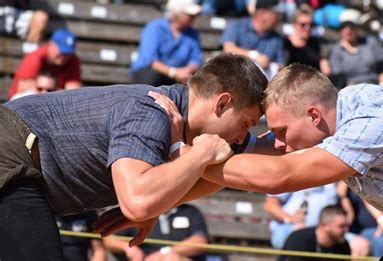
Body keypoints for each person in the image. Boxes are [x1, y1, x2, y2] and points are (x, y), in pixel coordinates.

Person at [136, 63, 383, 260]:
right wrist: (158, 199)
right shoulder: (341, 113)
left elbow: (279, 176)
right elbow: (251, 156)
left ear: (313, 115)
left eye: (281, 131)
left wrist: (184, 152)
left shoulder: (374, 125)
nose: (277, 142)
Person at [0, 53, 267, 260]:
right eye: (246, 123)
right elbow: (138, 202)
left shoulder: (180, 122)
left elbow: (229, 174)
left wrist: (160, 202)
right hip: (9, 153)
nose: (243, 137)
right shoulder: (151, 112)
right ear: (222, 103)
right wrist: (201, 153)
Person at [130, 0, 203, 86]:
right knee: (152, 77)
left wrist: (186, 71)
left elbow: (195, 60)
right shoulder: (155, 27)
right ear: (177, 14)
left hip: (178, 77)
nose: (193, 17)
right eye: (190, 15)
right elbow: (150, 59)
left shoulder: (193, 34)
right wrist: (174, 73)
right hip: (151, 74)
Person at [105, 204, 208, 261]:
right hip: (144, 258)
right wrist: (128, 248)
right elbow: (109, 240)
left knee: (171, 259)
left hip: (179, 258)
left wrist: (164, 252)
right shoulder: (139, 214)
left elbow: (199, 242)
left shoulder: (190, 212)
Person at [7, 28, 81, 99]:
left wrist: (50, 88)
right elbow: (22, 87)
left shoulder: (73, 60)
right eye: (61, 51)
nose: (64, 56)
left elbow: (73, 91)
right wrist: (51, 89)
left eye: (67, 53)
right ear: (51, 44)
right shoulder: (36, 56)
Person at [221, 0, 284, 79]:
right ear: (263, 14)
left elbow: (281, 65)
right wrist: (254, 56)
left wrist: (269, 65)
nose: (279, 19)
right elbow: (228, 49)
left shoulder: (277, 38)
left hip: (263, 82)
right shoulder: (236, 26)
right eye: (276, 14)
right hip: (234, 77)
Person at [328, 9, 383, 88]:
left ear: (358, 28)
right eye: (343, 27)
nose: (347, 31)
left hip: (375, 86)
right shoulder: (337, 50)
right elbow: (338, 77)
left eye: (351, 27)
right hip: (351, 89)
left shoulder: (371, 43)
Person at [278, 205, 351, 261]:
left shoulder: (343, 245)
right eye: (341, 226)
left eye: (347, 226)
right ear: (324, 225)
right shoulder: (299, 241)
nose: (346, 229)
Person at [283, 4, 330, 75]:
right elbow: (282, 69)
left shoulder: (315, 44)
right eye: (303, 24)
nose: (307, 28)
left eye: (311, 24)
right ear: (295, 24)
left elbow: (326, 71)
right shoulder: (286, 44)